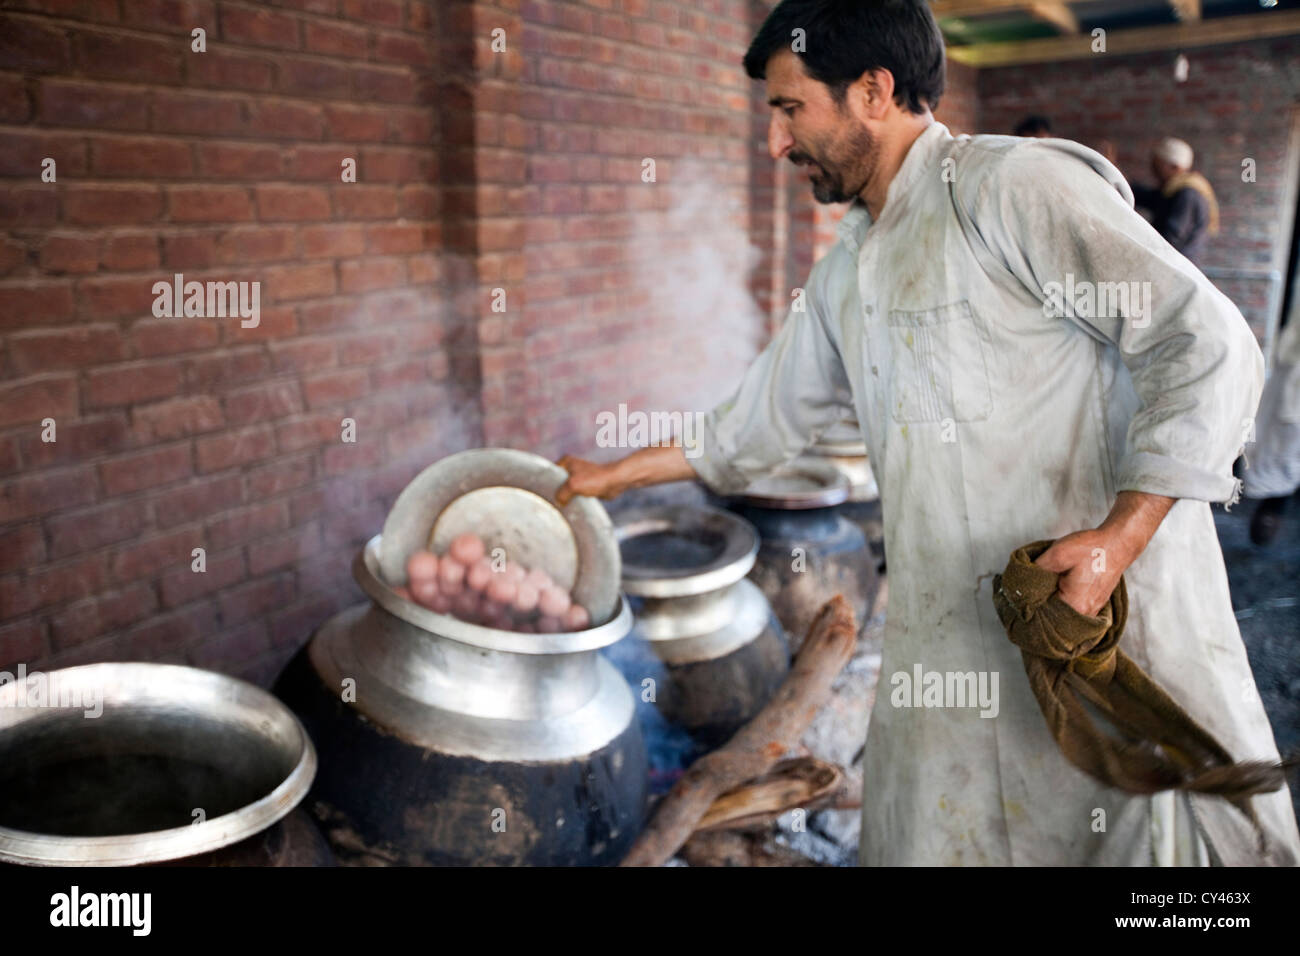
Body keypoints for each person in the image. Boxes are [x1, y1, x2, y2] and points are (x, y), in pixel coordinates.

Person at [556, 0, 1298, 866]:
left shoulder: (1012, 188)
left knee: (1143, 858)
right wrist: (614, 476)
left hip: (1090, 626)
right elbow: (748, 429)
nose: (777, 143)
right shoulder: (848, 271)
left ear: (873, 91)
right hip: (943, 641)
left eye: (790, 109)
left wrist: (1118, 540)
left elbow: (1204, 341)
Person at [1244, 313, 1300, 545]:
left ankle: (1268, 518)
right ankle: (1268, 519)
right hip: (1290, 399)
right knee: (1282, 459)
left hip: (1290, 399)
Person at [1130, 137, 1220, 265]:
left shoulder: (1187, 194)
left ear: (1175, 167)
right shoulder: (1173, 191)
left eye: (1157, 165)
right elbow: (1143, 196)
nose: (1153, 170)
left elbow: (1171, 238)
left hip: (1175, 270)